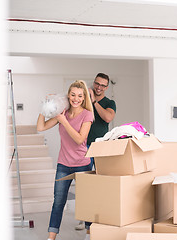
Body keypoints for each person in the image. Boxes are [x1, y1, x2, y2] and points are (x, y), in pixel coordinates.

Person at [37, 80, 94, 240]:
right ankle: (51, 237)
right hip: (64, 164)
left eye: (80, 96)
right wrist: (45, 106)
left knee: (86, 201)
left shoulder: (87, 115)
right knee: (58, 202)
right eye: (73, 95)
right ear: (68, 96)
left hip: (83, 164)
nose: (76, 99)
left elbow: (79, 139)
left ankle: (89, 234)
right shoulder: (62, 113)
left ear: (84, 98)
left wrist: (64, 122)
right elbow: (40, 127)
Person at [74, 73, 116, 234]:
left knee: (99, 184)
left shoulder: (109, 102)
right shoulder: (83, 97)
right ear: (94, 83)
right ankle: (86, 221)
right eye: (97, 84)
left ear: (107, 87)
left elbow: (107, 118)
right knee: (84, 184)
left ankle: (99, 220)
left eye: (103, 85)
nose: (99, 87)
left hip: (100, 147)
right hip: (82, 146)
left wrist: (94, 101)